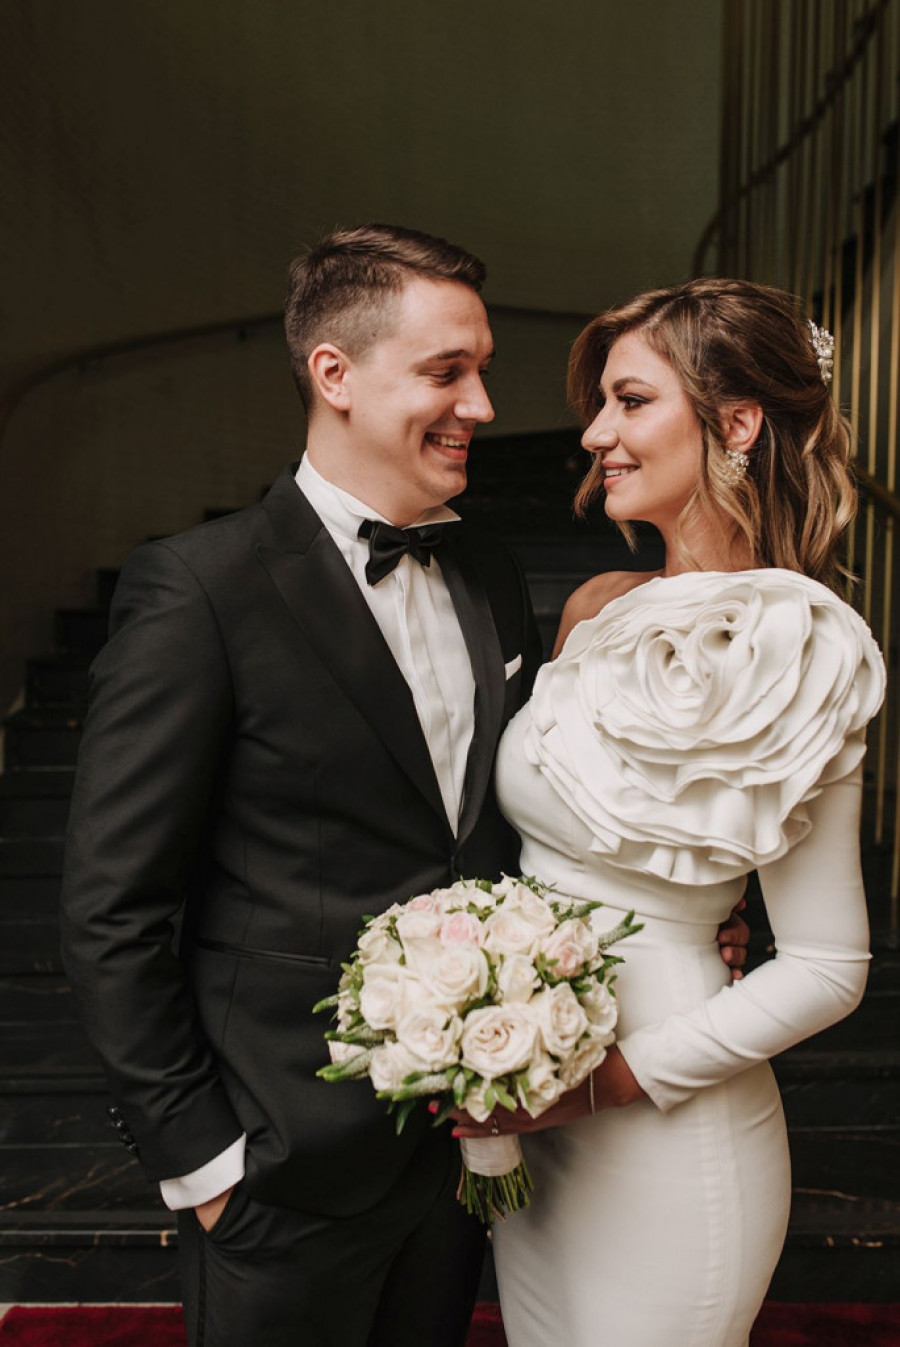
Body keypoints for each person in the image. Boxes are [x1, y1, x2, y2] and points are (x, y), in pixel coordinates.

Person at [58, 226, 748, 1347]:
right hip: (278, 1174)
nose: (482, 405)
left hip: (463, 1159)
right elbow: (110, 912)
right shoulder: (201, 590)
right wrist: (207, 1166)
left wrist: (671, 913)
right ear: (334, 373)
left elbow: (509, 826)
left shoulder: (485, 569)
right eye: (447, 372)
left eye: (482, 370)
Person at [453, 278, 886, 1347]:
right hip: (536, 1112)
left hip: (664, 1127)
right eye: (601, 403)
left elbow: (829, 966)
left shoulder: (803, 646)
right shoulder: (594, 609)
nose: (595, 433)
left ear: (737, 424)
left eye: (631, 401)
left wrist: (604, 1082)